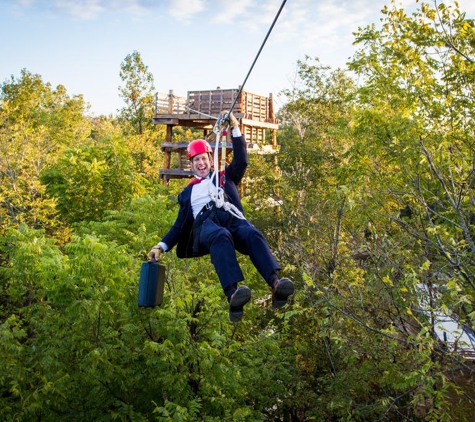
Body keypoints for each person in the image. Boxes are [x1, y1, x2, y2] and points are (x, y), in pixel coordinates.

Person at [148, 112, 294, 322]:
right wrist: (161, 246)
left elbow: (242, 159)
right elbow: (179, 227)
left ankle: (275, 283)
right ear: (192, 164)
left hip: (231, 217)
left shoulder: (225, 177)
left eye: (204, 159)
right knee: (220, 236)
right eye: (196, 160)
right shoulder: (188, 193)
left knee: (252, 233)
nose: (201, 163)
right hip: (206, 224)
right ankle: (233, 293)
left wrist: (235, 128)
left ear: (210, 160)